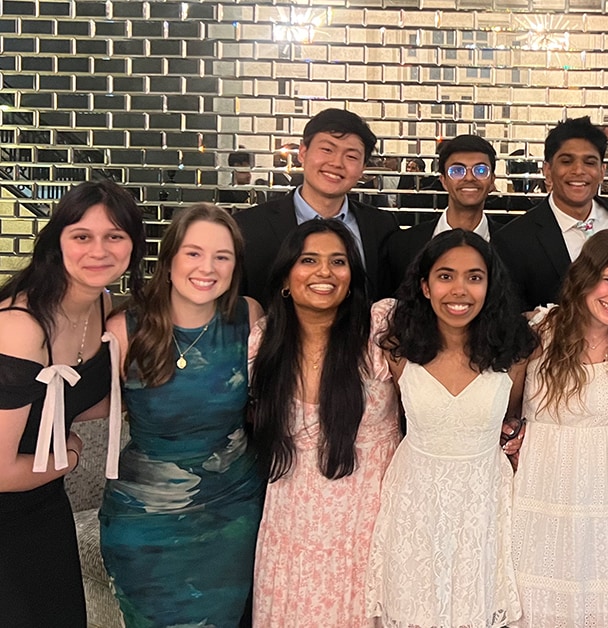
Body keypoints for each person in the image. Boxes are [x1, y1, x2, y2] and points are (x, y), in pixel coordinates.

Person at [101, 203, 266, 627]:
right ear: (170, 256)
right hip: (145, 523)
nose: (206, 267)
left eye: (222, 256)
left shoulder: (248, 318)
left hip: (231, 518)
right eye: (193, 252)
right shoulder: (125, 327)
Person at [368, 229, 537, 626]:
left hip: (483, 500)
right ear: (425, 287)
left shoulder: (515, 352)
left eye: (474, 277)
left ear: (490, 285)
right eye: (446, 276)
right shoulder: (397, 349)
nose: (459, 290)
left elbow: (510, 419)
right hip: (415, 500)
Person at [0, 180, 145, 628]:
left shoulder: (100, 306)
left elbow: (76, 398)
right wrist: (72, 453)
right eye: (82, 236)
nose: (98, 250)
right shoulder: (21, 327)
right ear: (56, 242)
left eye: (114, 236)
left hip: (43, 508)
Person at [247, 219, 400, 626]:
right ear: (285, 277)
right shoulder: (263, 344)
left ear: (352, 277)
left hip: (367, 533)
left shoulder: (380, 334)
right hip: (290, 536)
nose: (324, 272)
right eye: (309, 260)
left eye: (338, 262)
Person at [510, 228, 608, 626]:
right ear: (585, 275)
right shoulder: (537, 334)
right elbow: (504, 413)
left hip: (606, 513)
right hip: (539, 505)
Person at [235, 108, 401, 304]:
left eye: (351, 156)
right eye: (327, 150)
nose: (336, 163)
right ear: (303, 153)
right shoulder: (249, 226)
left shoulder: (381, 226)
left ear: (363, 168)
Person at [493, 116, 608, 311]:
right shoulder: (513, 240)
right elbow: (510, 316)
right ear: (548, 170)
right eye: (567, 161)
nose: (578, 170)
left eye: (589, 162)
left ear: (602, 171)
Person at [380, 134, 506, 295]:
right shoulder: (402, 245)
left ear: (492, 181)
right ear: (444, 181)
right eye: (457, 171)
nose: (469, 177)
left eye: (480, 170)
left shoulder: (511, 246)